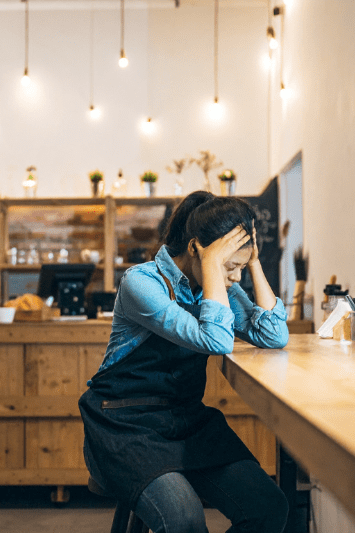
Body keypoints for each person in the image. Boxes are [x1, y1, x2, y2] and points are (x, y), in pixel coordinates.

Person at [79, 191, 290, 533]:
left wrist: (252, 260)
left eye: (238, 268)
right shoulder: (142, 283)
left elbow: (274, 335)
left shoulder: (216, 286)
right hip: (126, 423)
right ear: (196, 249)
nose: (234, 278)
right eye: (229, 267)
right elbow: (217, 340)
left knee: (269, 506)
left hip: (185, 420)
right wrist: (211, 264)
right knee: (184, 519)